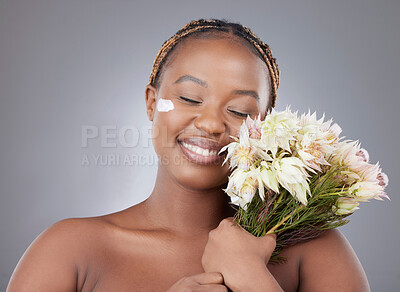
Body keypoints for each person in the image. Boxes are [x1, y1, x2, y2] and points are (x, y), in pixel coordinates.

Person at [7, 18, 370, 292]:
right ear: (152, 103)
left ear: (268, 127)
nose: (211, 124)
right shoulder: (70, 250)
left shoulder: (314, 250)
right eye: (190, 99)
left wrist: (255, 280)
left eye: (241, 111)